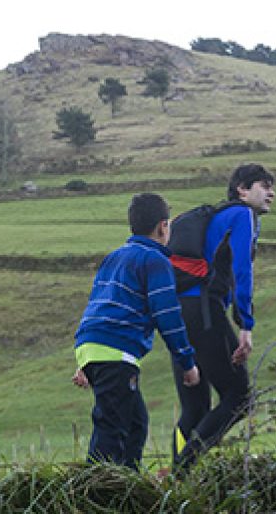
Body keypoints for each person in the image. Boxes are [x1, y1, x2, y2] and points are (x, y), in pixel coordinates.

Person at [72, 192, 201, 470]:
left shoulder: (114, 257)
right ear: (163, 226)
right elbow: (167, 315)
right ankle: (93, 490)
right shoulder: (155, 261)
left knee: (135, 424)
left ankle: (127, 486)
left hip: (92, 345)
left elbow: (98, 304)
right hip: (117, 351)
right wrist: (187, 362)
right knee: (112, 427)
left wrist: (85, 362)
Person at [171, 163, 275, 471]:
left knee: (195, 408)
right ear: (242, 189)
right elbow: (242, 270)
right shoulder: (243, 215)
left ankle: (174, 480)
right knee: (239, 396)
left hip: (179, 313)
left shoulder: (216, 217)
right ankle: (182, 471)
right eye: (263, 185)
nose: (271, 192)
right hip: (204, 310)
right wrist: (245, 324)